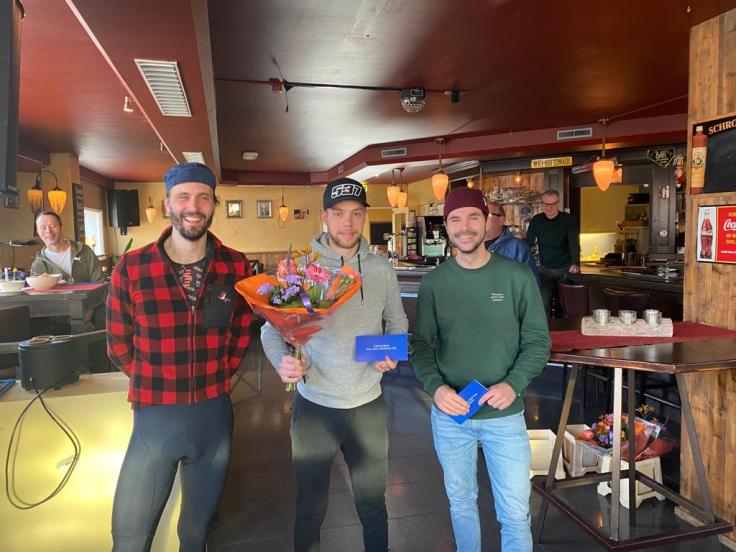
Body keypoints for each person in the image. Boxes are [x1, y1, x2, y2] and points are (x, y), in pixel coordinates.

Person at [107, 162, 252, 551]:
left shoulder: (235, 265)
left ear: (214, 204)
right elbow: (118, 342)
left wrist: (218, 375)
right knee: (129, 536)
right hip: (154, 417)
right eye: (184, 196)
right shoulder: (132, 267)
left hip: (214, 415)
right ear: (167, 203)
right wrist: (155, 378)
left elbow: (242, 330)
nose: (194, 206)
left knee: (196, 532)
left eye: (203, 197)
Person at [261, 177, 408, 552]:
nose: (348, 222)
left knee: (373, 505)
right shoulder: (300, 269)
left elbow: (397, 321)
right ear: (324, 217)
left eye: (357, 213)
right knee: (310, 508)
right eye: (339, 213)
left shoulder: (381, 270)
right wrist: (282, 362)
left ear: (364, 217)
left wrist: (392, 352)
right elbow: (271, 331)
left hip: (368, 406)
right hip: (314, 407)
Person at [412, 187, 550, 552]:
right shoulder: (435, 283)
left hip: (504, 415)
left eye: (473, 217)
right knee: (461, 504)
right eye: (455, 219)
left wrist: (513, 384)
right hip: (451, 415)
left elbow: (538, 342)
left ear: (487, 221)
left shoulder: (517, 277)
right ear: (446, 227)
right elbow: (421, 345)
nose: (465, 227)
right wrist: (437, 389)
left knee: (515, 515)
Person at [524, 190, 580, 316]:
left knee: (566, 305)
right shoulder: (536, 220)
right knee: (542, 302)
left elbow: (574, 243)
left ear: (558, 203)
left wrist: (575, 263)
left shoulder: (568, 219)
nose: (548, 208)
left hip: (565, 269)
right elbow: (528, 243)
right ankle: (545, 328)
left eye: (552, 204)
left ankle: (567, 328)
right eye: (545, 204)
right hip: (545, 270)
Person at [32, 210, 103, 282]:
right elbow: (37, 288)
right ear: (38, 231)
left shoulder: (84, 251)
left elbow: (100, 281)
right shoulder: (39, 264)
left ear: (61, 227)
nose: (48, 231)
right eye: (43, 227)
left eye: (53, 226)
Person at [484, 201, 539, 283]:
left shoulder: (518, 247)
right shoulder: (471, 246)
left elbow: (531, 283)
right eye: (480, 215)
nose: (483, 219)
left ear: (501, 220)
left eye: (487, 215)